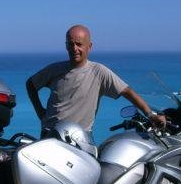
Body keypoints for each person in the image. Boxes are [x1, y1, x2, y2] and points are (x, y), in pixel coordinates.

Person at [26, 24, 166, 136]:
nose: (75, 48)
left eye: (79, 44)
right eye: (71, 44)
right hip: (51, 134)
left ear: (89, 47)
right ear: (66, 46)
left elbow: (128, 92)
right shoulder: (54, 69)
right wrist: (40, 112)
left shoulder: (99, 72)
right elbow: (31, 84)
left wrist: (150, 115)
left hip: (81, 138)